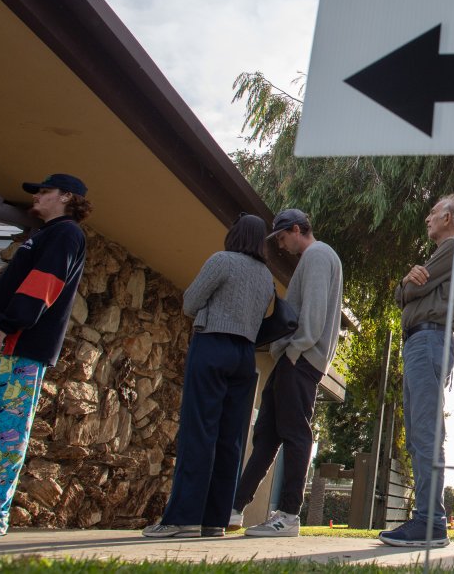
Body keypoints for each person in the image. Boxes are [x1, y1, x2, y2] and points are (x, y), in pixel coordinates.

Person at [0, 174, 91, 538]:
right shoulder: (46, 234)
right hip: (3, 347)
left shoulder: (66, 234)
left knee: (0, 431)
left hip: (15, 346)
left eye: (44, 191)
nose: (37, 197)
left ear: (66, 197)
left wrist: (9, 324)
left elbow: (45, 284)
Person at [143, 215, 274, 538]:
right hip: (245, 356)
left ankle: (182, 518)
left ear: (236, 234)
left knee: (198, 431)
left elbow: (190, 303)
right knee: (230, 439)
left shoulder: (222, 261)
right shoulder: (266, 276)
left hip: (213, 344)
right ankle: (214, 520)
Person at [228, 209, 343, 537]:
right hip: (294, 359)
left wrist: (293, 351)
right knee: (267, 434)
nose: (279, 245)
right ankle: (234, 508)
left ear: (296, 229)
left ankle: (289, 515)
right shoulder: (315, 257)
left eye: (281, 237)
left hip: (302, 358)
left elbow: (315, 313)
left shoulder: (318, 255)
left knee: (295, 434)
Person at [380, 195, 454, 548]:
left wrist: (408, 286)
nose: (427, 218)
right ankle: (426, 518)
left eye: (433, 212)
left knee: (425, 432)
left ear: (448, 217)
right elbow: (402, 294)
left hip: (429, 341)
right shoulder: (443, 253)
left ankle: (430, 522)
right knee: (418, 432)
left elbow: (409, 292)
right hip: (421, 343)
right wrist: (407, 283)